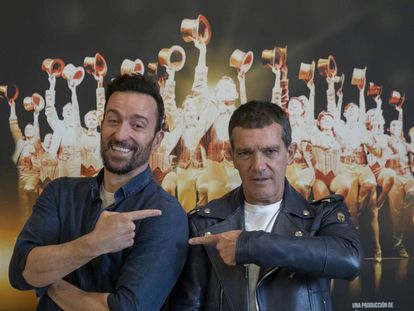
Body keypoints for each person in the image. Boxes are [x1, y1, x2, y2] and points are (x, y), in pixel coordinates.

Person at [9, 74, 189, 310]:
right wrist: (94, 244)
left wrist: (51, 283)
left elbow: (126, 308)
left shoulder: (164, 214)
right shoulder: (60, 192)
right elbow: (20, 271)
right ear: (102, 125)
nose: (121, 134)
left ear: (157, 140)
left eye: (137, 125)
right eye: (113, 120)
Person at [171, 100, 362, 311]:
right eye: (245, 153)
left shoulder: (322, 215)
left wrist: (249, 245)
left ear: (290, 153)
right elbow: (188, 305)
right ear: (232, 157)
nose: (258, 166)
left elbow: (350, 260)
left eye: (270, 151)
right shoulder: (204, 222)